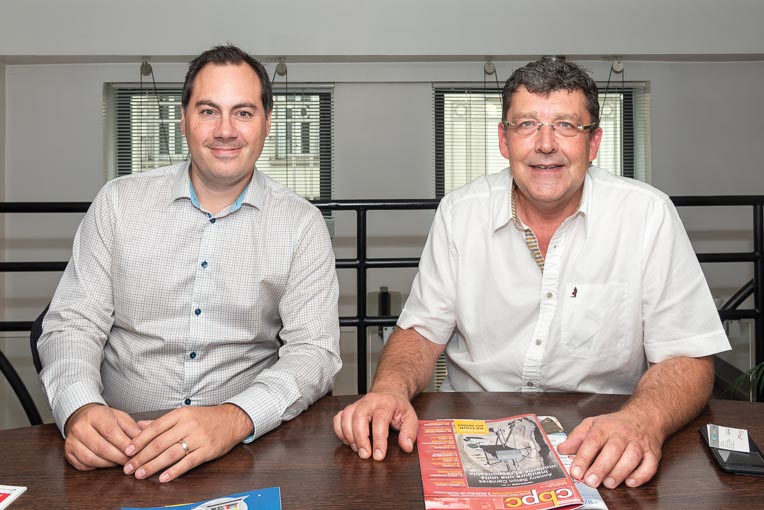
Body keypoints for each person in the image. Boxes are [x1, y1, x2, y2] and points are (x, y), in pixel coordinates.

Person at [334, 58, 730, 490]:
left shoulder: (648, 214)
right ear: (504, 141)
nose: (545, 145)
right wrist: (389, 389)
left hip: (602, 437)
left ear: (593, 142)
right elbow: (421, 332)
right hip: (473, 429)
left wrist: (642, 420)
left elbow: (687, 356)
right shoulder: (460, 213)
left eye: (565, 125)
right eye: (526, 125)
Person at [38, 45, 341, 483]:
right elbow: (72, 324)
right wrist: (80, 407)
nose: (225, 130)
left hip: (244, 454)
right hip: (120, 451)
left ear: (267, 123)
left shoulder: (301, 225)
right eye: (208, 111)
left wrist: (234, 418)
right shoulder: (118, 203)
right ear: (183, 119)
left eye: (243, 112)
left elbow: (314, 352)